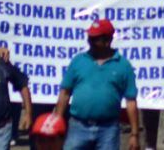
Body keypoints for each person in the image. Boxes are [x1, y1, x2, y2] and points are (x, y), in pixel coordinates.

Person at [55, 19, 140, 150]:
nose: (90, 41)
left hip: (108, 130)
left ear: (107, 40)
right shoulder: (78, 61)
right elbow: (65, 93)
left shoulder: (123, 65)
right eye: (90, 37)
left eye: (95, 38)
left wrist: (134, 134)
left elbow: (130, 101)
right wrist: (57, 122)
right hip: (78, 127)